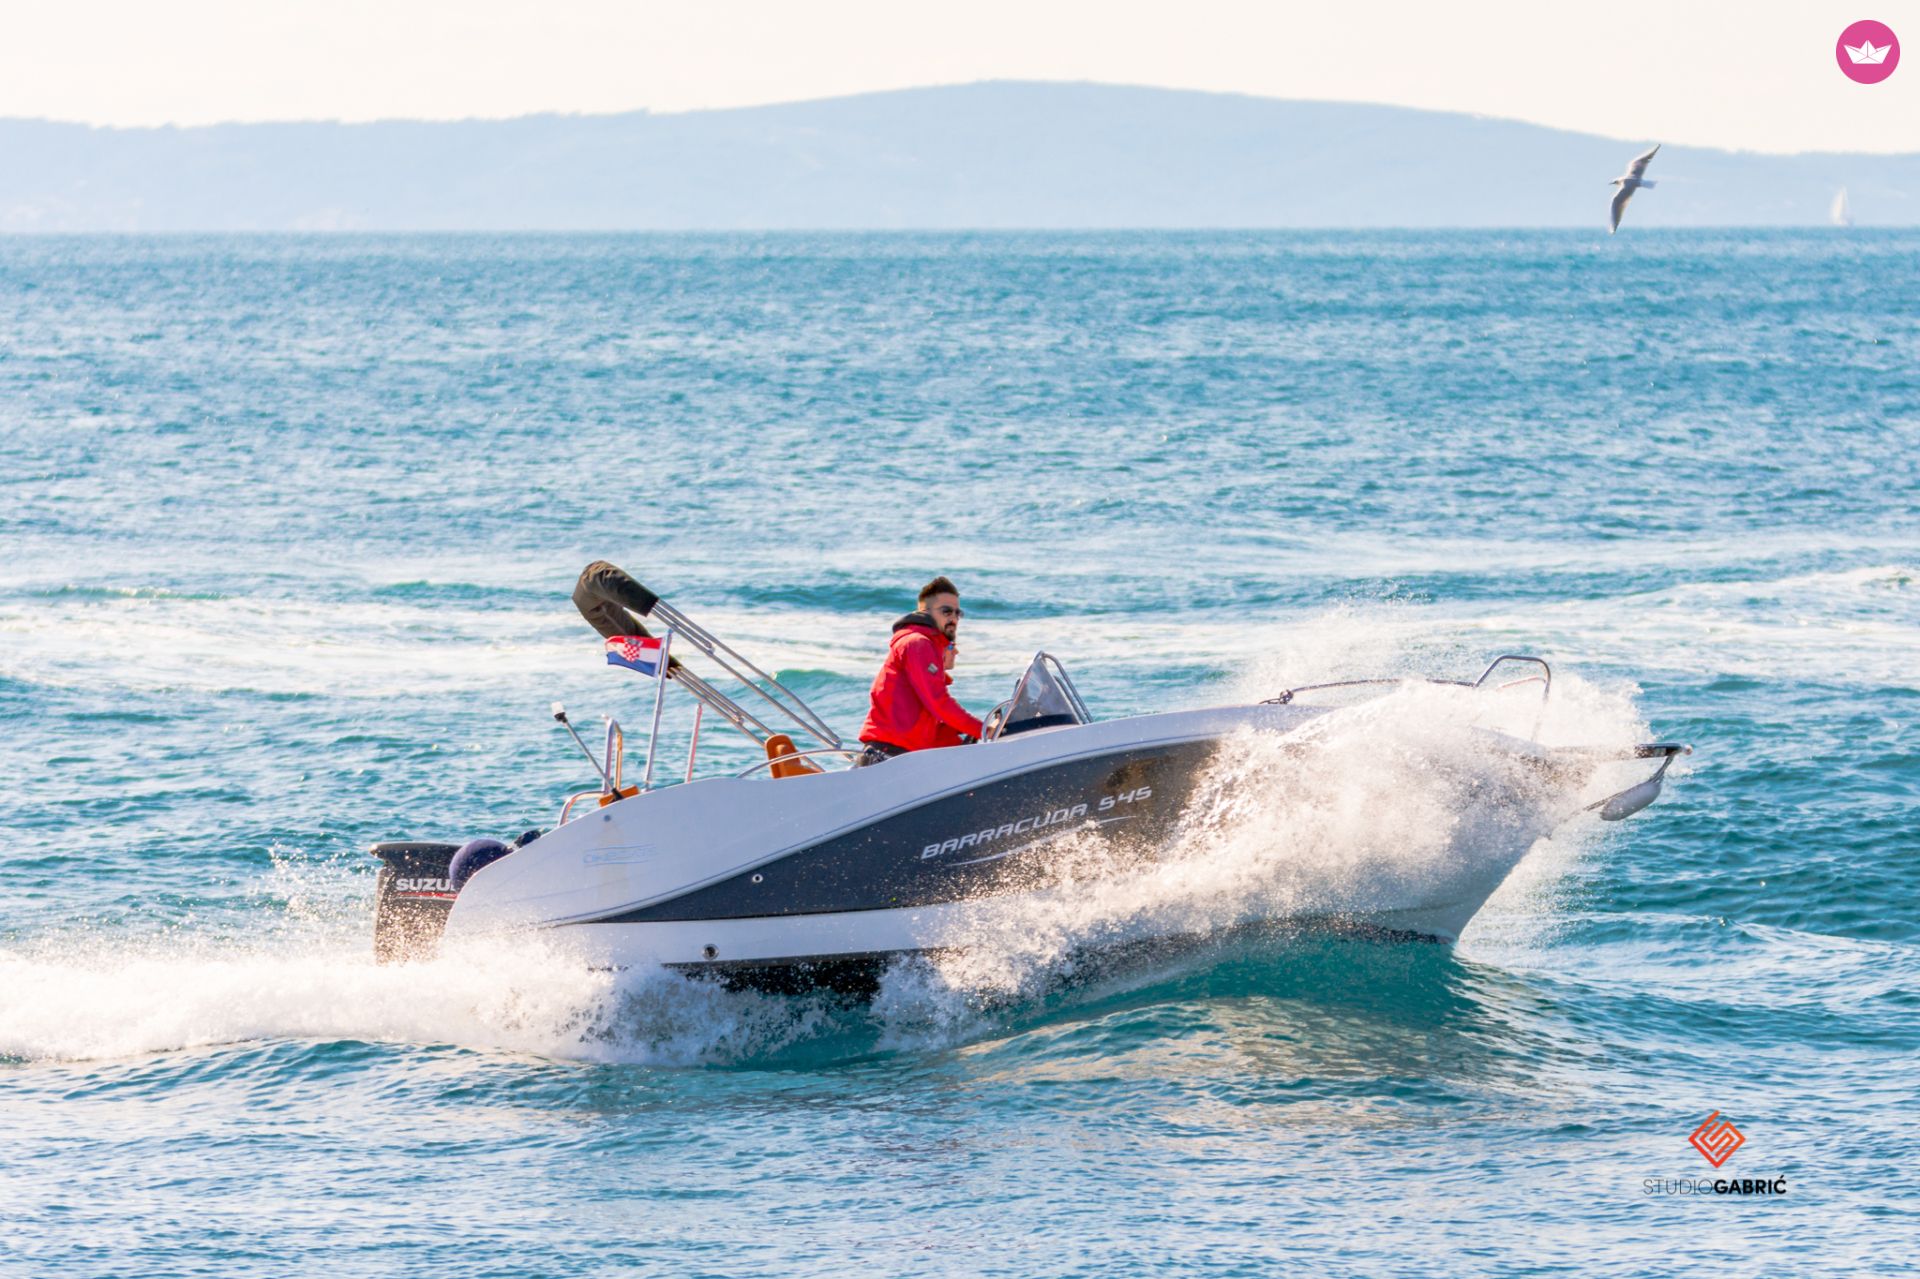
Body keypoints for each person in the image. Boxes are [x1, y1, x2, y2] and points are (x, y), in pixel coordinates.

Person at [855, 576, 984, 766]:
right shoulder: (918, 644)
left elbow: (931, 729)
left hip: (901, 757)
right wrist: (984, 730)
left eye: (958, 613)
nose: (954, 618)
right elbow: (939, 703)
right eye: (947, 611)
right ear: (925, 612)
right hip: (888, 758)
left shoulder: (926, 646)